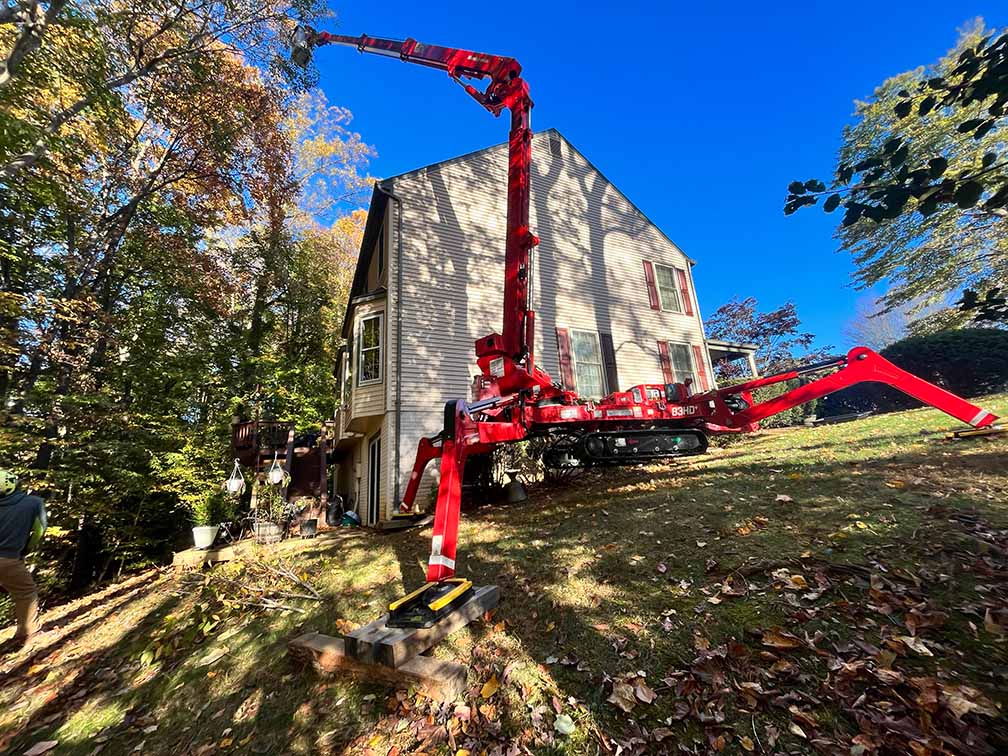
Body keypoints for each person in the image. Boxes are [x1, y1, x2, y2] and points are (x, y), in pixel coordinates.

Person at [0, 469, 47, 646]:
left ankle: (21, 632)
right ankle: (30, 633)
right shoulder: (34, 503)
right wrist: (27, 548)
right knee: (26, 593)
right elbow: (40, 530)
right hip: (9, 558)